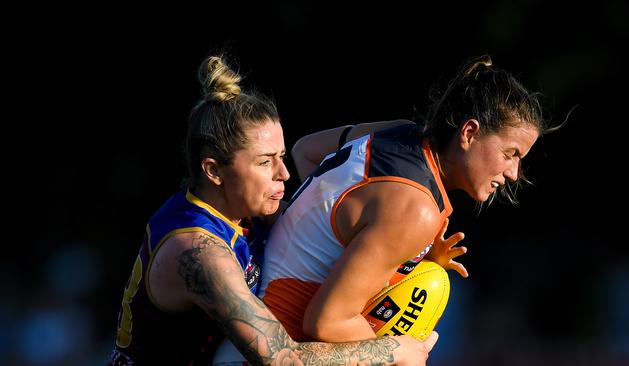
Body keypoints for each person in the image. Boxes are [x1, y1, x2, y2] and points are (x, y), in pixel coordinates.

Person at [108, 54, 438, 366]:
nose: (284, 173)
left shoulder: (245, 208)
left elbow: (307, 151)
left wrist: (410, 251)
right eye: (265, 162)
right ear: (214, 171)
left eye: (280, 156)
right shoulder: (199, 252)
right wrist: (393, 349)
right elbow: (281, 358)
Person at [259, 55, 556, 342]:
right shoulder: (416, 210)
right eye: (510, 154)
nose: (514, 173)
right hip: (268, 347)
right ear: (469, 132)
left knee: (430, 277)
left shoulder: (397, 133)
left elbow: (307, 151)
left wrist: (322, 232)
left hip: (255, 328)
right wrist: (403, 350)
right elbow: (325, 322)